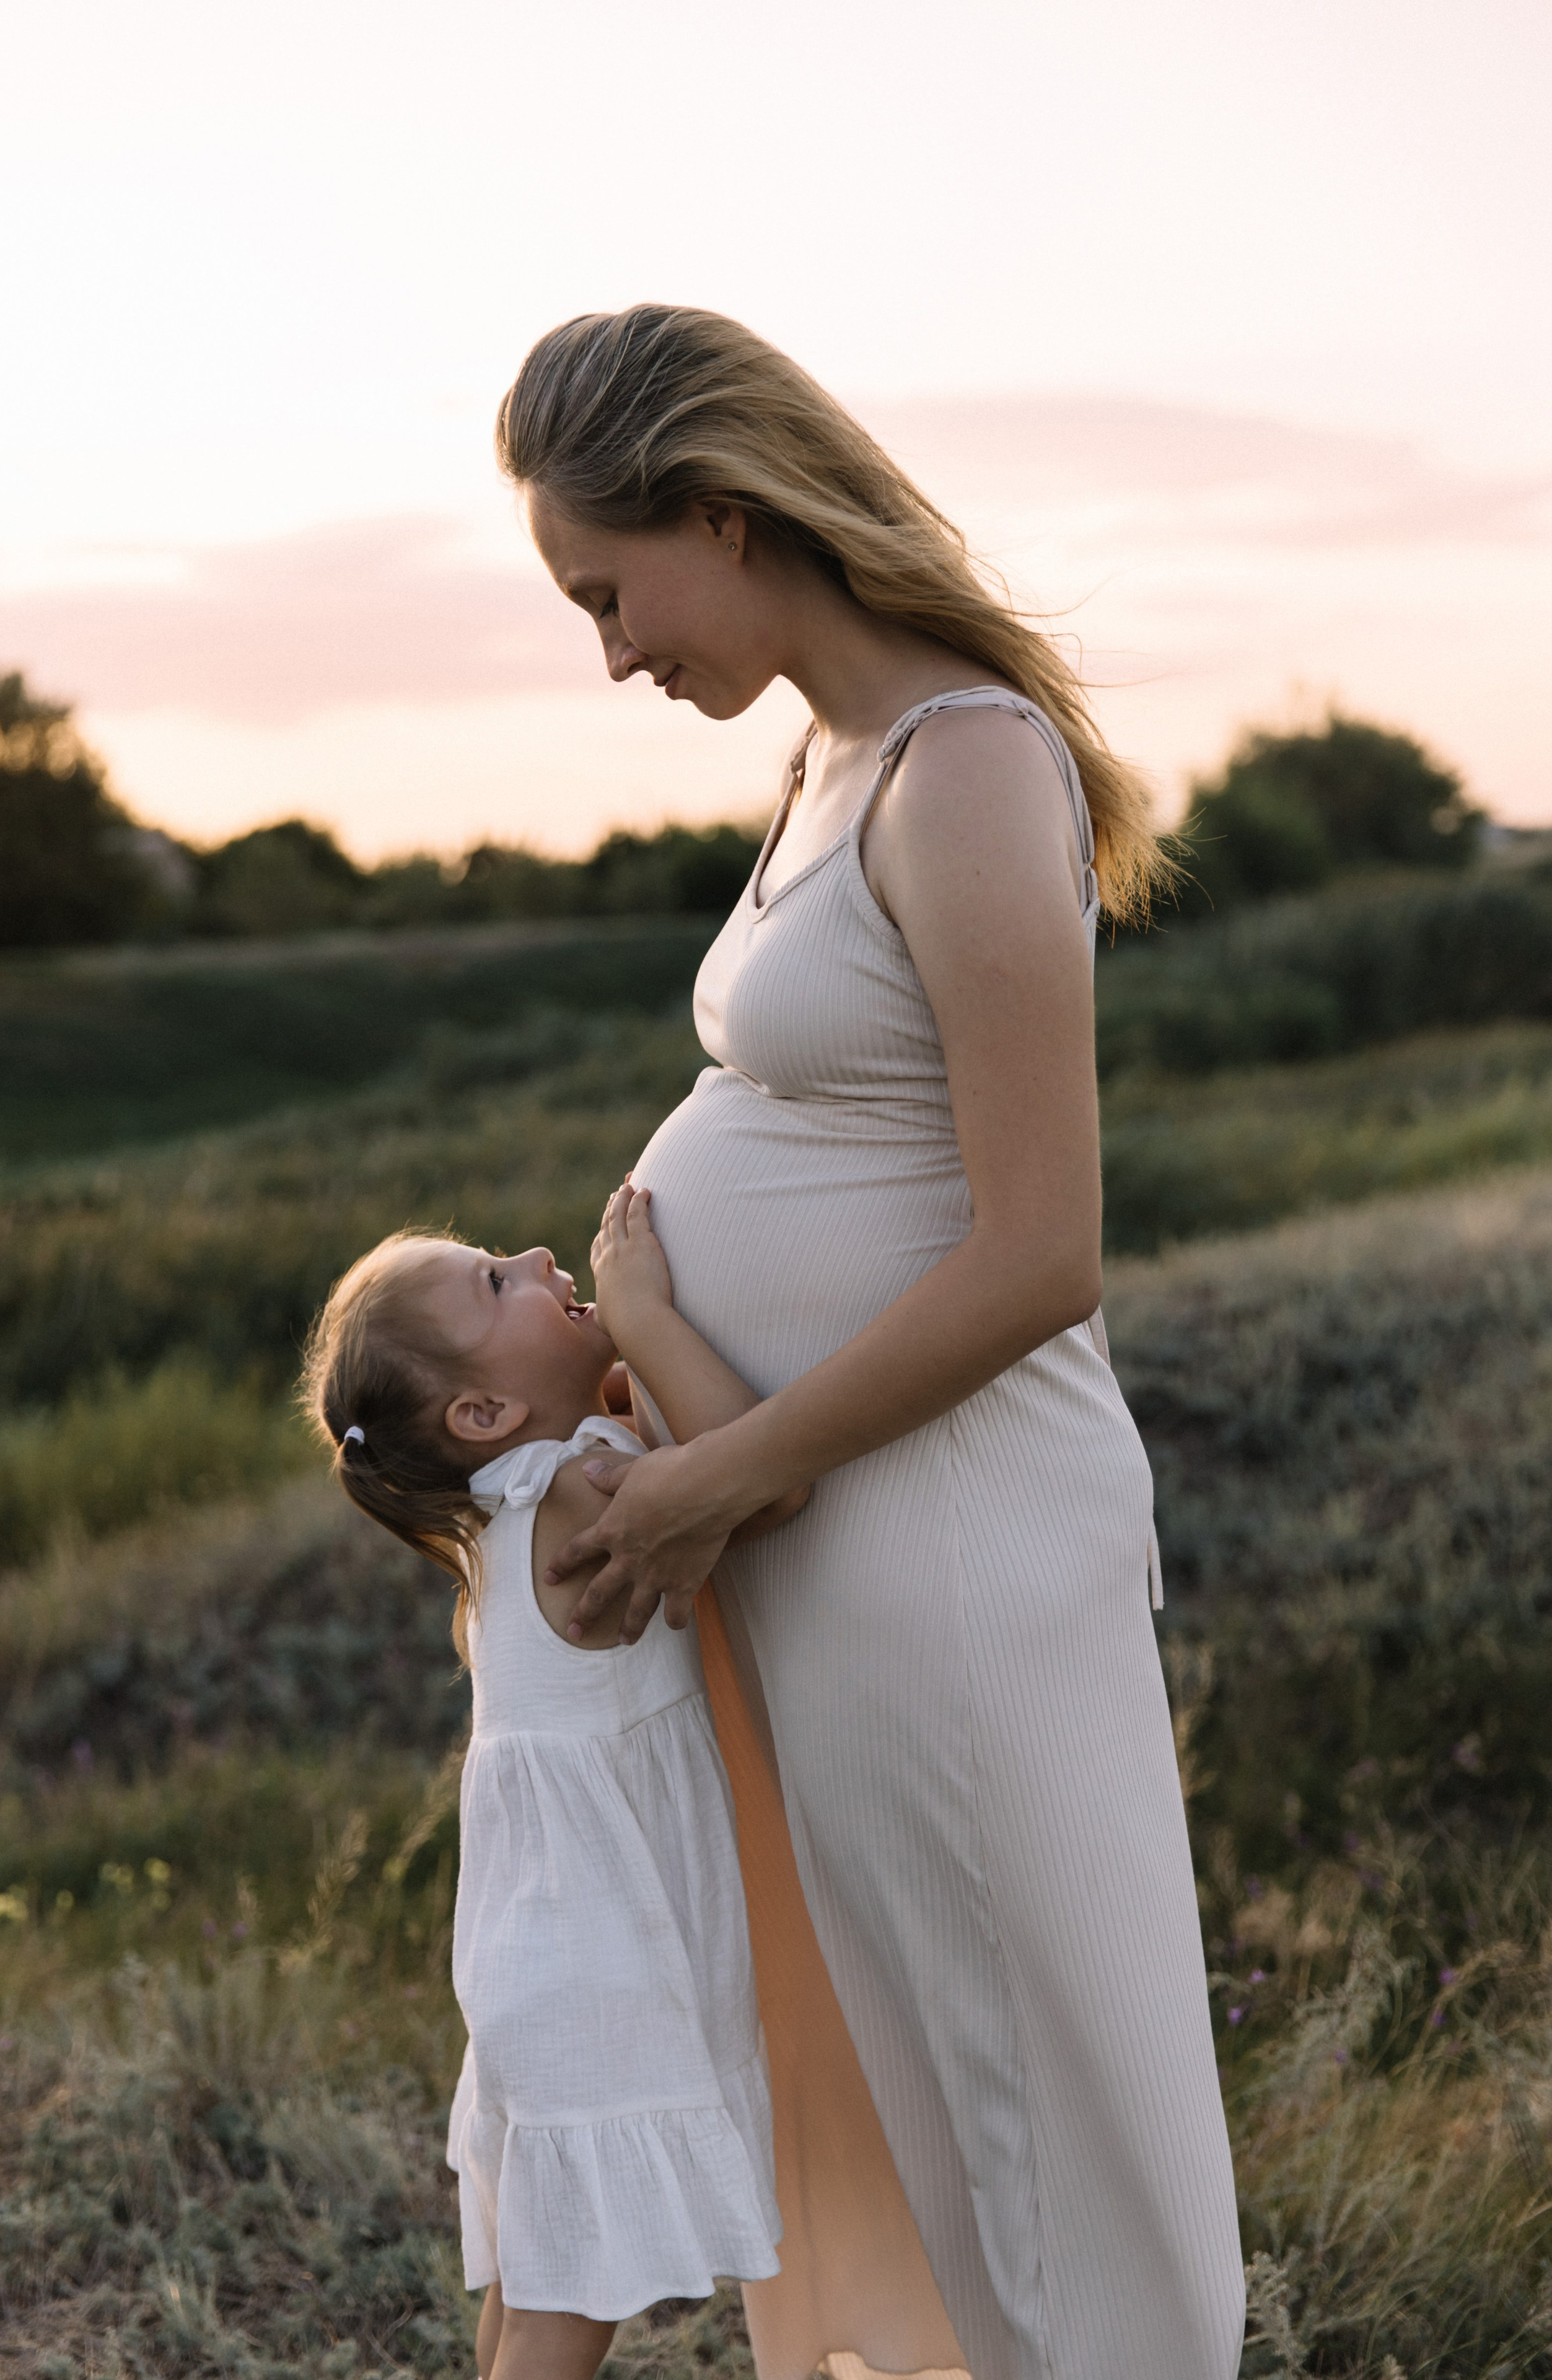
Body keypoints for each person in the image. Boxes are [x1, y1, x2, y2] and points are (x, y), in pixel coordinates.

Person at [493, 305, 1247, 2380]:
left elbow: (1040, 1254)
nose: (613, 653)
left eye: (610, 591)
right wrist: (656, 1346)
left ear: (724, 515)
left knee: (1046, 2116)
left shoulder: (964, 764)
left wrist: (715, 1478)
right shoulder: (825, 764)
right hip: (843, 1557)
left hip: (955, 1555)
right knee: (945, 2108)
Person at [300, 1187, 801, 2380]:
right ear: (485, 1412)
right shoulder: (582, 1496)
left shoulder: (514, 1505)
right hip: (600, 1966)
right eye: (495, 1280)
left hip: (552, 1955)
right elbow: (763, 1473)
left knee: (538, 2287)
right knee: (563, 2307)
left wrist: (616, 1363)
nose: (534, 1254)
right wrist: (642, 1311)